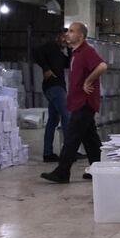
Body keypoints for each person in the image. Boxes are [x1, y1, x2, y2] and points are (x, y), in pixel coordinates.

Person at [41, 22, 107, 184]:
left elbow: (102, 65)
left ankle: (62, 172)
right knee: (90, 138)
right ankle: (99, 170)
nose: (67, 34)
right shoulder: (75, 52)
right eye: (67, 31)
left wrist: (88, 81)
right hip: (78, 101)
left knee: (71, 137)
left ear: (81, 36)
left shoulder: (86, 51)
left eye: (71, 31)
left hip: (84, 101)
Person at [34, 28, 72, 162]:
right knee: (67, 115)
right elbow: (36, 53)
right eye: (64, 37)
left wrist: (70, 48)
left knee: (53, 121)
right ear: (58, 36)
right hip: (54, 87)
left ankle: (48, 153)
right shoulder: (50, 47)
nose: (65, 40)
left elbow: (69, 63)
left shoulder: (60, 53)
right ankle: (69, 152)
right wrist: (46, 68)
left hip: (57, 87)